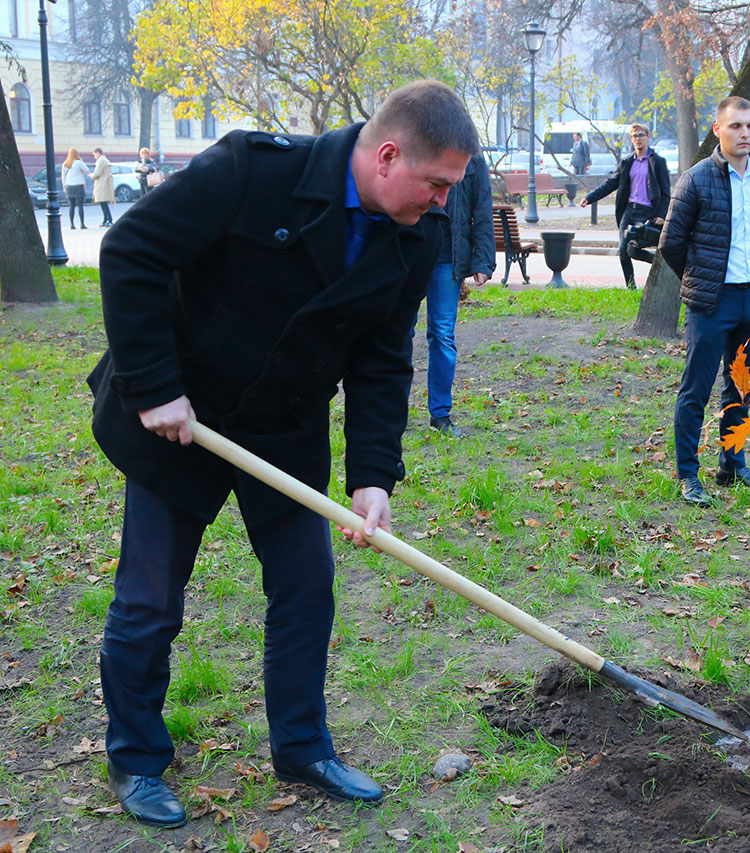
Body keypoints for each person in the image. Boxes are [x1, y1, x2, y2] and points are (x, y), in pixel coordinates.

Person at [87, 79, 478, 830]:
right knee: (149, 600)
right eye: (435, 184)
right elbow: (130, 250)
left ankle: (302, 747)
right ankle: (137, 757)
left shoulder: (414, 233)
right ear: (389, 154)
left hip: (285, 427)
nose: (440, 202)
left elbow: (381, 360)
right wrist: (155, 386)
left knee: (306, 591)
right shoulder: (252, 171)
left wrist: (371, 476)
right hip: (182, 417)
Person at [659, 95, 750, 506]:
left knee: (740, 389)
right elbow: (671, 243)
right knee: (696, 388)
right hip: (712, 304)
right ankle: (688, 475)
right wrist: (701, 280)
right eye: (735, 126)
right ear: (718, 130)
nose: (744, 133)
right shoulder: (695, 180)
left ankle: (732, 465)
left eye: (749, 126)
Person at [425, 152, 495, 437]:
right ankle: (391, 410)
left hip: (448, 259)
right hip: (409, 252)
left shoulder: (473, 160)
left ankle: (440, 414)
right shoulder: (417, 144)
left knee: (442, 334)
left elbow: (482, 211)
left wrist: (482, 261)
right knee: (399, 334)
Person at [581, 123, 671, 289]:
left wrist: (662, 215)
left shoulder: (657, 162)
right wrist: (590, 197)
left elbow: (666, 193)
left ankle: (658, 263)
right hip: (629, 212)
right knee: (623, 250)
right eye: (634, 136)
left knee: (633, 251)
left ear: (648, 137)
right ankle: (631, 287)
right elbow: (611, 183)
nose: (638, 139)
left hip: (648, 213)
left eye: (641, 135)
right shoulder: (627, 162)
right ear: (631, 139)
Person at [62, 147, 92, 229]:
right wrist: (81, 160)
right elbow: (87, 170)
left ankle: (72, 224)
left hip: (69, 186)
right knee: (80, 206)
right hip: (78, 186)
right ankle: (82, 224)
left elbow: (63, 177)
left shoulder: (65, 164)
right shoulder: (79, 162)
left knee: (71, 206)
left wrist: (64, 187)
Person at [91, 147, 115, 227]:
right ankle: (105, 220)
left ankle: (109, 219)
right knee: (103, 203)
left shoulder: (101, 161)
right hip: (105, 183)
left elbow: (97, 173)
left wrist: (91, 175)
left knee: (103, 203)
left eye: (94, 155)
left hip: (102, 184)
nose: (94, 157)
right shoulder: (104, 160)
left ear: (98, 153)